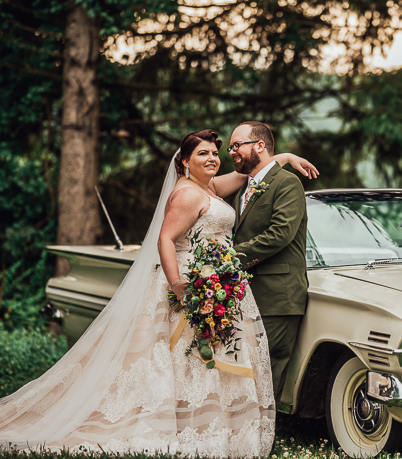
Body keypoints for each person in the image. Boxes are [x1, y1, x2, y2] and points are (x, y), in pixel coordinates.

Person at [0, 129, 318, 456]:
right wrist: (180, 285)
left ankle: (210, 430)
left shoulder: (206, 186)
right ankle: (190, 431)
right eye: (203, 154)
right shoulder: (188, 194)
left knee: (201, 361)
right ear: (183, 162)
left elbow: (247, 171)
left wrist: (283, 159)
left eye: (214, 153)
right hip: (192, 283)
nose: (212, 158)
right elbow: (165, 240)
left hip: (215, 279)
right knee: (190, 359)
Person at [228, 121, 311, 404]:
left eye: (237, 145)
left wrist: (229, 259)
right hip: (251, 291)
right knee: (249, 365)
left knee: (268, 368)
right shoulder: (246, 187)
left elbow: (280, 234)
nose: (232, 152)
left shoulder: (288, 183)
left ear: (259, 146)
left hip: (279, 293)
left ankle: (264, 436)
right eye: (231, 147)